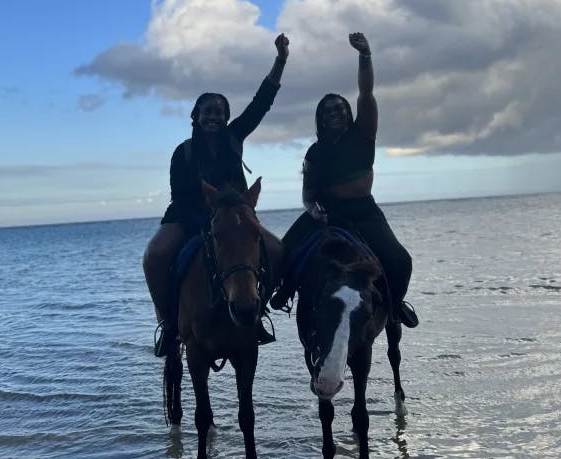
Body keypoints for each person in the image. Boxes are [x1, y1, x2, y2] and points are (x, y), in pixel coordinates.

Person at [144, 34, 290, 356]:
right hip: (188, 217)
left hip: (234, 219)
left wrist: (280, 61)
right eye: (207, 112)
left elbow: (261, 103)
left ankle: (257, 310)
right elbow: (180, 198)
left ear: (226, 118)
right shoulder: (182, 153)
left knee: (278, 250)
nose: (213, 116)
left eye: (219, 112)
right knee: (154, 256)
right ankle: (169, 326)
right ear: (195, 117)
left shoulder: (235, 138)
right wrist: (210, 222)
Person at [270, 32, 418, 328]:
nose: (334, 112)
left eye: (339, 107)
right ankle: (280, 293)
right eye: (328, 111)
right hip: (325, 214)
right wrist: (313, 211)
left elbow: (366, 92)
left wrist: (365, 55)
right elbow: (308, 194)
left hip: (364, 212)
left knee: (401, 261)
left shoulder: (363, 134)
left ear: (348, 112)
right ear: (321, 119)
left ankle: (394, 306)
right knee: (279, 254)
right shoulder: (315, 152)